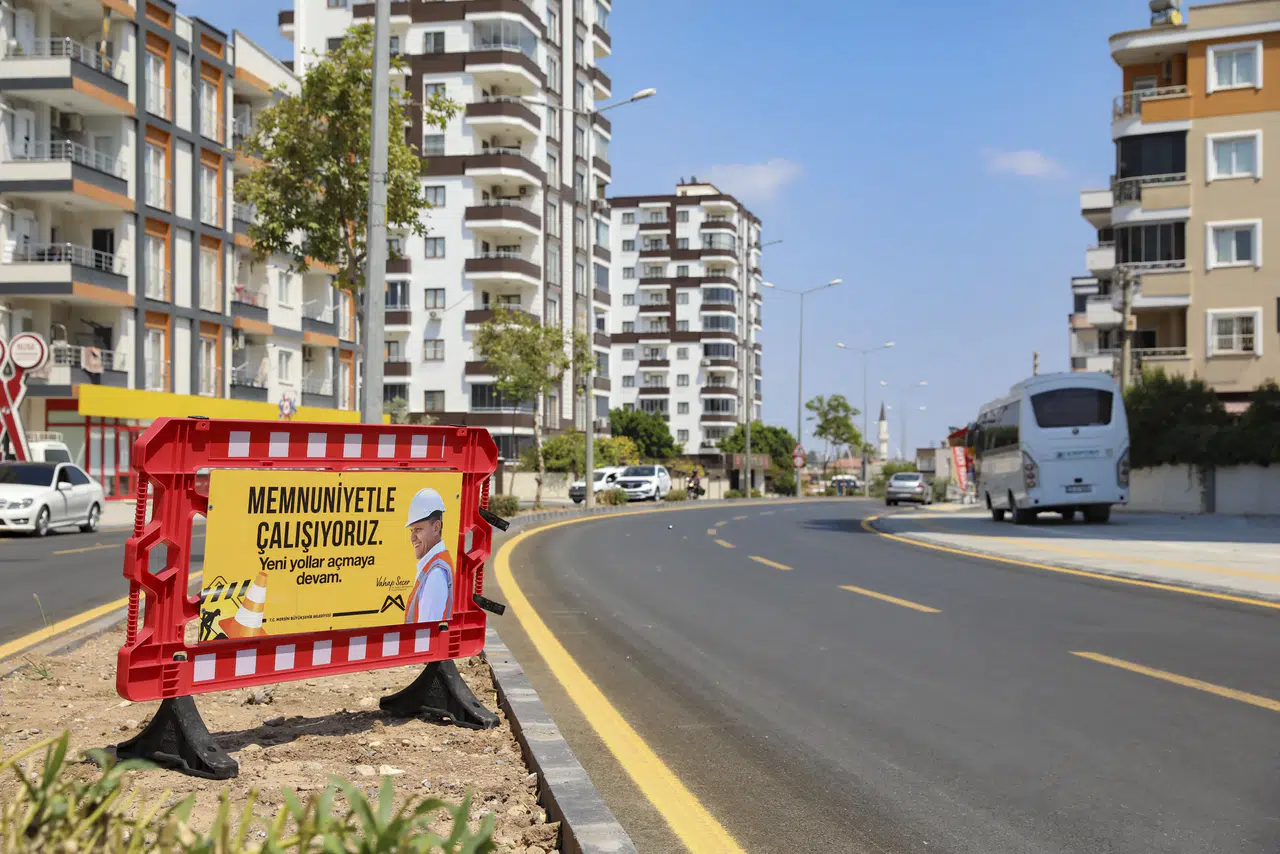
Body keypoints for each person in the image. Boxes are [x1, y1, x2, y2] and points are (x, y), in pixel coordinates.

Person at [404, 487, 454, 624]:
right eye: (411, 531)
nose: (413, 538)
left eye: (418, 529)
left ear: (436, 528)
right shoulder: (431, 566)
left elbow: (425, 634)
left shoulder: (435, 574)